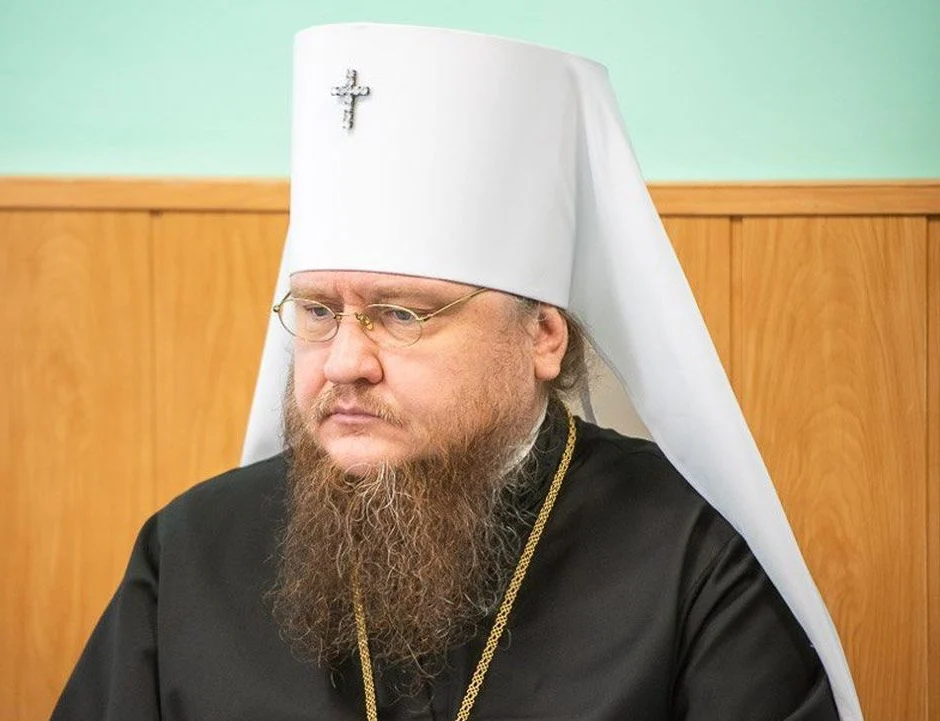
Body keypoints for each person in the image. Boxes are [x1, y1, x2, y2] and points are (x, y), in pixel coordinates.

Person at [52, 23, 862, 720]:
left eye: (403, 315)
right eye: (319, 311)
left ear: (543, 336)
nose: (345, 362)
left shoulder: (695, 559)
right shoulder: (189, 554)